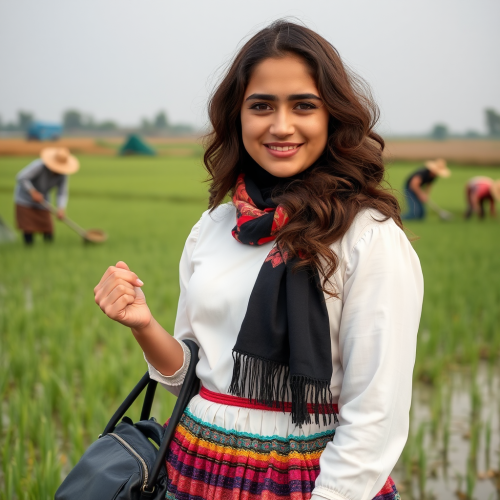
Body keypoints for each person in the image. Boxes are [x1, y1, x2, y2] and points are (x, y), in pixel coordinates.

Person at [94, 21, 423, 500]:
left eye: (304, 105)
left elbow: (377, 411)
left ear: (332, 117)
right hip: (191, 466)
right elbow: (194, 377)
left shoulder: (367, 236)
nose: (281, 125)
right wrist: (143, 325)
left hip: (308, 481)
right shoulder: (213, 227)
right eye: (262, 105)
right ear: (238, 117)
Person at [14, 147, 79, 245]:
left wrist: (61, 208)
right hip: (25, 199)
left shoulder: (63, 174)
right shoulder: (39, 166)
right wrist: (32, 192)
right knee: (28, 228)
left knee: (48, 228)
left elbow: (61, 192)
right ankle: (28, 247)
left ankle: (48, 248)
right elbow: (21, 177)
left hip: (43, 201)